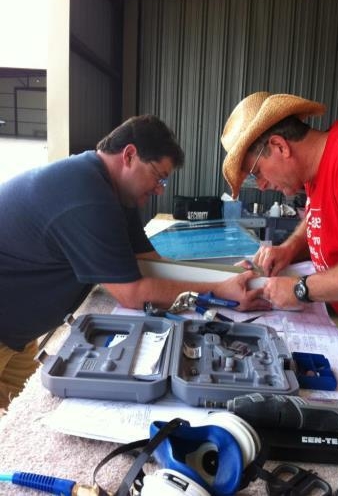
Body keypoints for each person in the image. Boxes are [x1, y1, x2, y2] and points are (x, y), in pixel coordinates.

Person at [0, 114, 266, 409]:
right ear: (129, 155)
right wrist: (220, 290)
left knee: (13, 409)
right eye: (159, 176)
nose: (161, 189)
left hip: (19, 334)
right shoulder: (87, 195)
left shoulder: (112, 191)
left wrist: (225, 275)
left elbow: (153, 262)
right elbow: (132, 293)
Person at [221, 91, 338, 395]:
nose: (261, 186)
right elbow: (317, 217)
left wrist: (302, 289)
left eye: (257, 172)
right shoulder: (316, 173)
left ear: (279, 146)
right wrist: (288, 249)